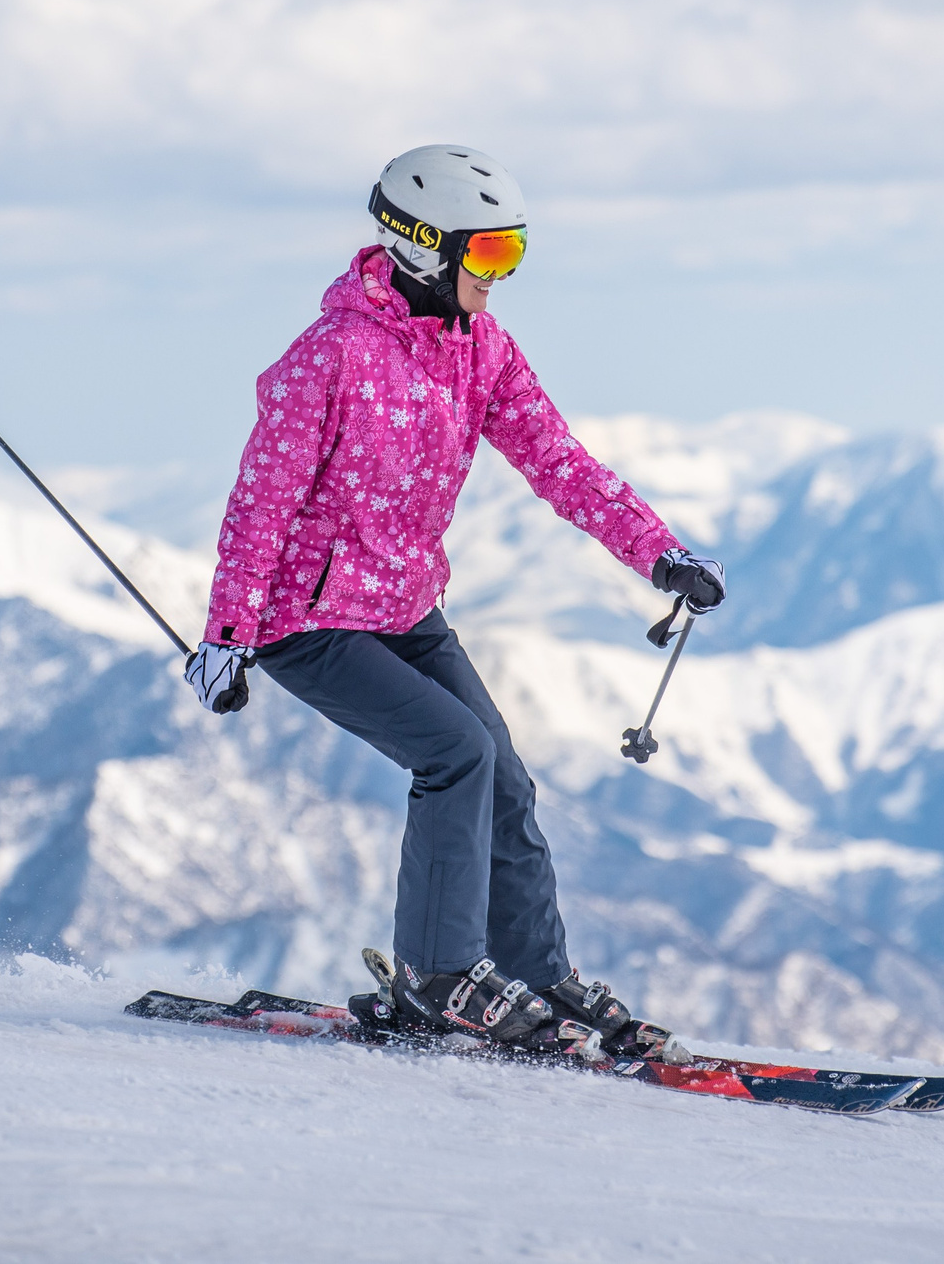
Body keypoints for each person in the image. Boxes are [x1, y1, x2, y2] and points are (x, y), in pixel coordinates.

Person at [182, 145, 727, 1053]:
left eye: (512, 254)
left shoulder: (482, 352)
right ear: (424, 246)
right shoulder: (329, 357)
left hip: (403, 607)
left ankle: (536, 980)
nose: (499, 277)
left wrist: (661, 555)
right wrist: (228, 636)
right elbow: (261, 501)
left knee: (505, 776)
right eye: (488, 255)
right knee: (456, 753)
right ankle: (439, 976)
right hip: (305, 621)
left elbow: (558, 460)